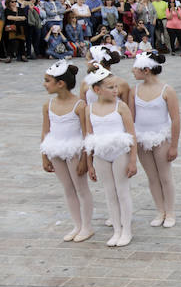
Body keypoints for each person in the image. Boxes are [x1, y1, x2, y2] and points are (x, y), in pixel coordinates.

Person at [83, 67, 138, 247]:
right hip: (100, 154)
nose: (115, 90)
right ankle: (116, 229)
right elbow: (89, 137)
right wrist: (89, 164)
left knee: (122, 191)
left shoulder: (120, 106)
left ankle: (127, 230)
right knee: (109, 192)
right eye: (110, 87)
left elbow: (131, 134)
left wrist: (132, 160)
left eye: (116, 87)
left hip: (119, 152)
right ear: (97, 90)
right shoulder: (89, 109)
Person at [41, 61, 94, 242]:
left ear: (60, 83)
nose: (44, 84)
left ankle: (87, 226)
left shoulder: (79, 106)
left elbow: (87, 134)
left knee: (81, 188)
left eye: (47, 81)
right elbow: (45, 131)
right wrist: (44, 156)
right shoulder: (48, 105)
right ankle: (77, 225)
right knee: (68, 188)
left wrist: (84, 159)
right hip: (55, 149)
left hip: (75, 151)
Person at [130, 52, 181, 228]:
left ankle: (171, 211)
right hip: (142, 138)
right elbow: (131, 117)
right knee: (152, 177)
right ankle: (160, 210)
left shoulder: (167, 90)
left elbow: (175, 119)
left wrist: (174, 145)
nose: (132, 71)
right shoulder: (134, 90)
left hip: (161, 138)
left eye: (135, 68)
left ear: (146, 70)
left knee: (165, 176)